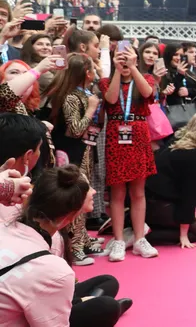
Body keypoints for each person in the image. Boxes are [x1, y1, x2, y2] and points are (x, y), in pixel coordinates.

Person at [0, 164, 133, 327]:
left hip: (36, 292)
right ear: (72, 214)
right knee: (106, 307)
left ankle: (81, 303)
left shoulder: (8, 224)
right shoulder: (54, 267)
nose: (94, 192)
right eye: (88, 188)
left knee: (108, 282)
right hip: (36, 299)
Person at [100, 43, 158, 262]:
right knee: (117, 192)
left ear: (136, 58)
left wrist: (133, 68)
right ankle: (118, 240)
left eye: (129, 56)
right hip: (116, 134)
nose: (124, 60)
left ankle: (140, 238)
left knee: (138, 191)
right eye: (119, 56)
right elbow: (111, 99)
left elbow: (148, 93)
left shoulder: (146, 78)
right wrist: (117, 70)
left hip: (139, 134)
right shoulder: (106, 80)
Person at [44, 53, 103, 266]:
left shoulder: (83, 93)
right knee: (76, 198)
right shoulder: (71, 96)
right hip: (71, 154)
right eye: (93, 68)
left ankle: (82, 239)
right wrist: (91, 109)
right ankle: (75, 248)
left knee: (83, 196)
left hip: (83, 151)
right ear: (87, 73)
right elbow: (75, 130)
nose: (96, 72)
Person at [145, 110, 196, 248]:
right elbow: (188, 194)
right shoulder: (195, 155)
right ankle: (141, 235)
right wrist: (184, 234)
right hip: (157, 201)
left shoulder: (185, 142)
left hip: (155, 197)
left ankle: (140, 231)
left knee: (195, 225)